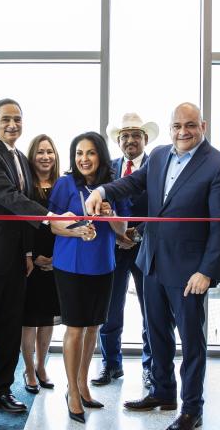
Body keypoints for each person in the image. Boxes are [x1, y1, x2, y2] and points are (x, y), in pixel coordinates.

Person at [85, 102, 220, 430]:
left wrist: (207, 271)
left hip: (189, 271)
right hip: (151, 260)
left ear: (203, 126)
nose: (183, 132)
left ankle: (192, 409)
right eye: (177, 126)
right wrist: (101, 189)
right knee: (156, 335)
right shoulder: (158, 156)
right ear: (169, 129)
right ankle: (163, 392)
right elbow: (131, 184)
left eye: (190, 125)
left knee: (191, 341)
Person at [0, 99, 82, 420]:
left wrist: (27, 251)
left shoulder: (20, 159)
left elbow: (24, 203)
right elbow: (8, 198)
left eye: (17, 119)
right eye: (6, 119)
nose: (12, 125)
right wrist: (53, 218)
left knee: (10, 329)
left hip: (15, 260)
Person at [50, 132, 126, 423]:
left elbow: (122, 231)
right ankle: (71, 391)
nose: (84, 159)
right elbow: (53, 225)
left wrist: (110, 215)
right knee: (75, 329)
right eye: (79, 153)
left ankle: (83, 385)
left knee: (93, 327)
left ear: (100, 156)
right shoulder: (65, 184)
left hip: (104, 265)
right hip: (70, 265)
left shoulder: (112, 187)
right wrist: (76, 230)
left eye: (90, 153)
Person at [93, 113, 156, 388]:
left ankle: (150, 366)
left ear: (145, 139)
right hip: (114, 249)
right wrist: (118, 235)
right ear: (119, 141)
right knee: (109, 310)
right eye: (125, 136)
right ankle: (111, 364)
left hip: (146, 248)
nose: (130, 140)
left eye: (136, 135)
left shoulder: (157, 166)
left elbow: (160, 206)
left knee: (151, 311)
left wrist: (136, 233)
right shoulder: (109, 169)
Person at [20, 134, 61, 394]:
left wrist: (58, 259)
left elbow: (68, 223)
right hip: (30, 262)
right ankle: (27, 368)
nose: (45, 156)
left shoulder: (61, 185)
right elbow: (22, 225)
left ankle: (41, 365)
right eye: (40, 152)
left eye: (50, 151)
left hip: (56, 260)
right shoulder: (25, 187)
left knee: (47, 319)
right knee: (28, 319)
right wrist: (30, 255)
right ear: (31, 156)